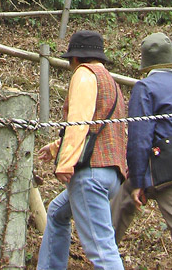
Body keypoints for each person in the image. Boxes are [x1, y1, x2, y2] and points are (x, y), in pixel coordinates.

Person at [111, 32, 172, 270]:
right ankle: (103, 256)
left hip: (159, 170)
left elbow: (139, 137)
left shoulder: (144, 87)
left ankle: (102, 254)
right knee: (122, 202)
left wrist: (137, 180)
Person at [37, 30, 127, 270]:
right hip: (112, 174)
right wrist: (57, 147)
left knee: (102, 251)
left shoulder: (84, 75)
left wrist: (65, 163)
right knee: (57, 212)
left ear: (75, 58)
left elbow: (79, 121)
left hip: (91, 175)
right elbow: (98, 128)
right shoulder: (110, 81)